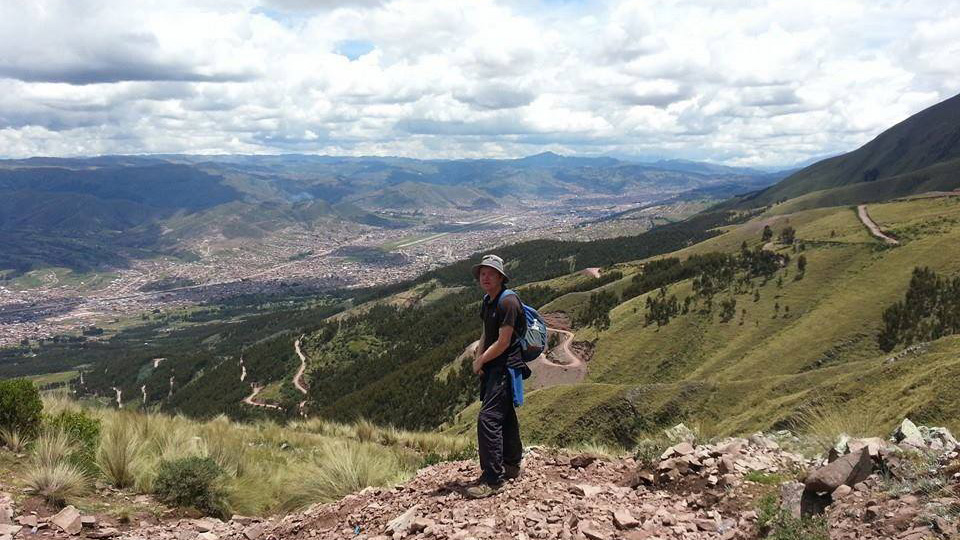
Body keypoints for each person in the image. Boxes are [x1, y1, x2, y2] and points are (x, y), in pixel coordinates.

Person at [465, 254, 524, 499]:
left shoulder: (507, 302)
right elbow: (486, 333)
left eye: (490, 273)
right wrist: (479, 356)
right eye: (482, 273)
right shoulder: (488, 301)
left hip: (505, 368)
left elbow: (503, 342)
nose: (485, 277)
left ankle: (492, 479)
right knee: (504, 415)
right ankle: (510, 464)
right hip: (493, 367)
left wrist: (481, 359)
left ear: (501, 277)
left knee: (488, 419)